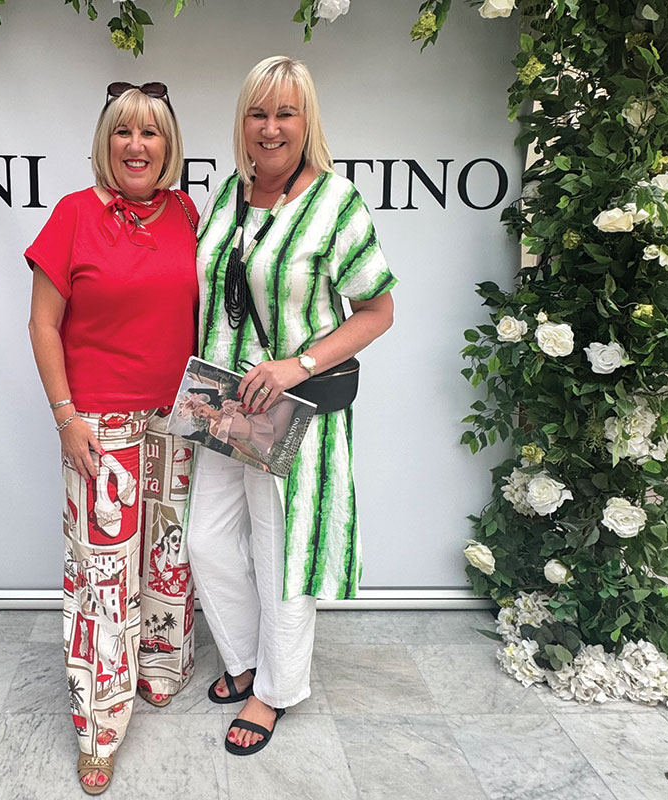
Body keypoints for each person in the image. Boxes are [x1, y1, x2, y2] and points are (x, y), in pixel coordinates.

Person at [187, 56, 397, 756]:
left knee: (282, 550)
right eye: (258, 113)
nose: (271, 128)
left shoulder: (336, 204)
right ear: (241, 123)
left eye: (285, 113)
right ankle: (245, 660)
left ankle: (275, 691)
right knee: (208, 541)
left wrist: (296, 364)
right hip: (223, 402)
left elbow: (377, 310)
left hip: (292, 407)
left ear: (307, 122)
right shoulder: (228, 195)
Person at [25, 82, 199, 794]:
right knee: (103, 580)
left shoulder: (189, 212)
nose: (137, 145)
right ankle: (99, 722)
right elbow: (42, 325)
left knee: (167, 559)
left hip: (177, 418)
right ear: (105, 141)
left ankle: (161, 665)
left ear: (169, 146)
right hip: (99, 423)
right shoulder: (73, 214)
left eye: (151, 133)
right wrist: (66, 418)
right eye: (124, 131)